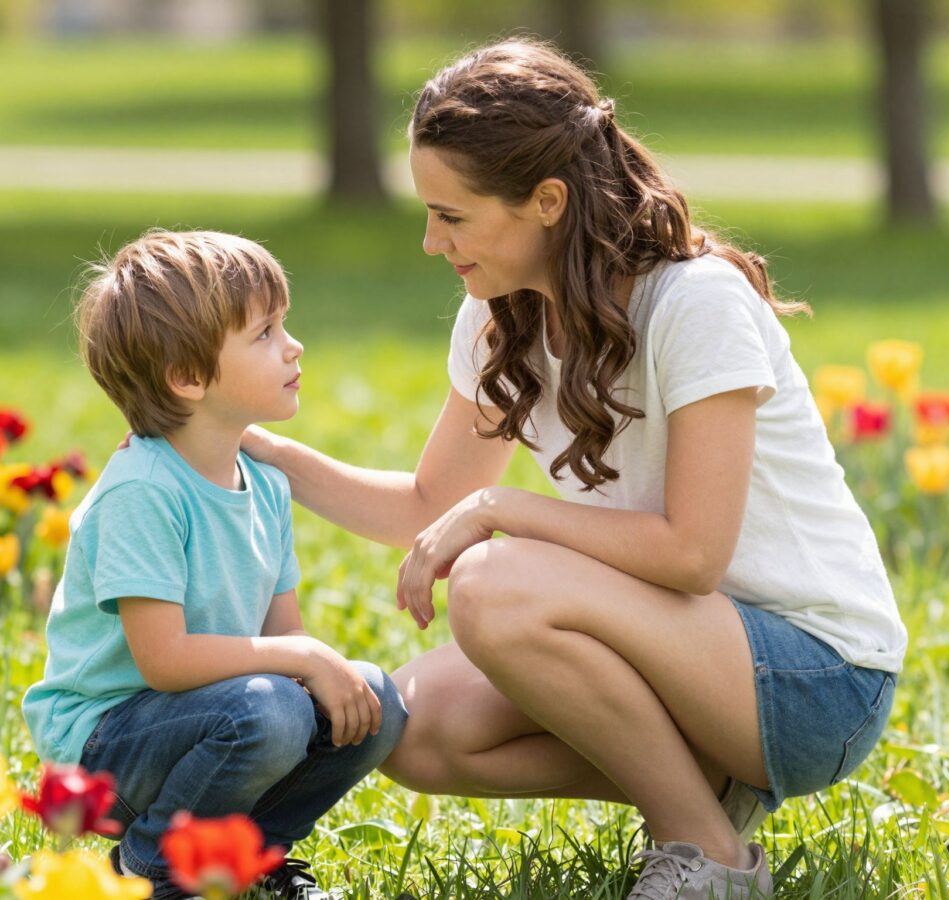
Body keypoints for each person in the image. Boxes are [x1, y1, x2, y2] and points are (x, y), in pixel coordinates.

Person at [241, 39, 906, 899]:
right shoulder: (496, 317)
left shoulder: (694, 300)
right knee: (413, 727)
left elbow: (692, 555)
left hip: (817, 678)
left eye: (452, 215)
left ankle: (709, 855)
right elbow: (425, 504)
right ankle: (705, 782)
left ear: (546, 201)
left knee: (491, 584)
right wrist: (262, 454)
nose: (430, 241)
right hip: (680, 649)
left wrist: (500, 511)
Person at [21, 229, 408, 900]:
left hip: (207, 716)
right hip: (105, 744)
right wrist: (305, 660)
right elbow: (163, 661)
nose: (294, 346)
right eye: (264, 334)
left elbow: (283, 635)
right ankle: (149, 870)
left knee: (378, 703)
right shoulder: (143, 490)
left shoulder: (265, 485)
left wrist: (315, 663)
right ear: (187, 377)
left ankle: (248, 856)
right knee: (272, 711)